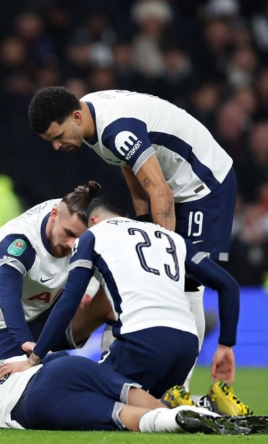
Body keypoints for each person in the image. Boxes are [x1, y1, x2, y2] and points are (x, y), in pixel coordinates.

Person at [28, 86, 237, 388]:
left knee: (186, 285)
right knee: (175, 282)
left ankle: (178, 389)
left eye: (58, 136)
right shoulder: (92, 123)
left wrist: (161, 252)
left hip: (203, 184)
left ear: (75, 116)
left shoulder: (117, 130)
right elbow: (133, 174)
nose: (57, 146)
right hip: (172, 184)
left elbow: (160, 191)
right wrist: (142, 223)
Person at [0, 195, 248, 416]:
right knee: (155, 414)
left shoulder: (93, 236)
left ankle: (202, 408)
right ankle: (197, 407)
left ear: (92, 221)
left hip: (142, 343)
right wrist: (226, 345)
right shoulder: (169, 237)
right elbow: (229, 286)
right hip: (186, 345)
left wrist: (35, 357)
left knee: (80, 397)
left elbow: (69, 301)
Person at [0, 353, 268, 435]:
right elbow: (59, 354)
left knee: (126, 418)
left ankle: (184, 423)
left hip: (35, 403)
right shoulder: (8, 360)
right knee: (144, 400)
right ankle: (224, 420)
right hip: (63, 365)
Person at [0, 181, 113, 371]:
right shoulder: (19, 242)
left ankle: (116, 373)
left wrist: (89, 291)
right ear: (54, 215)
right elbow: (9, 295)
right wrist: (25, 342)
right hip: (1, 328)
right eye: (68, 234)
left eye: (79, 239)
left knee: (113, 298)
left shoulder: (85, 227)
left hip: (47, 320)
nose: (73, 245)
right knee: (12, 387)